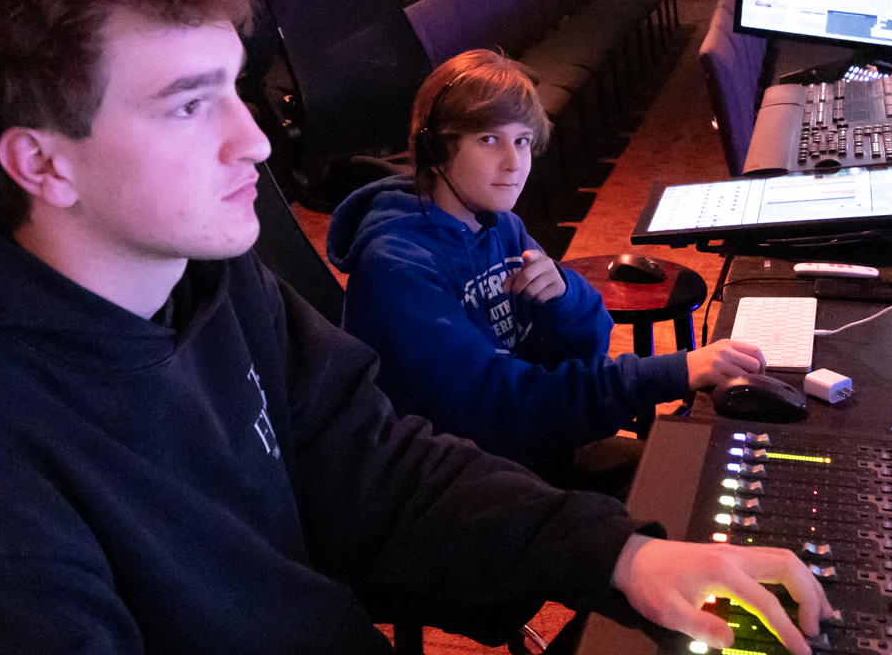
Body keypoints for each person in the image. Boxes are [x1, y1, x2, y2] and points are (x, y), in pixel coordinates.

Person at [0, 0, 829, 655]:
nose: (255, 140)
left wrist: (622, 557)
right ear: (42, 163)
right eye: (190, 104)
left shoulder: (210, 278)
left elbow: (378, 467)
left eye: (235, 88)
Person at [327, 50, 766, 490]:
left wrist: (565, 297)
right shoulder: (396, 263)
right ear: (435, 149)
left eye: (522, 141)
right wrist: (674, 372)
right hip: (448, 483)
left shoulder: (501, 225)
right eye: (489, 139)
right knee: (671, 496)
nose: (513, 163)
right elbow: (497, 407)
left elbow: (585, 350)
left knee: (697, 473)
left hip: (522, 450)